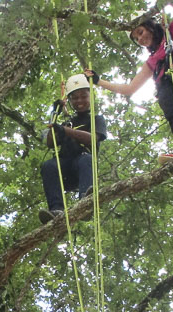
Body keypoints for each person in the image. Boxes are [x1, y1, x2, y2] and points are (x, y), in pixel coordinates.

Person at [85, 0, 173, 171]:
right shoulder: (151, 61)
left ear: (150, 25)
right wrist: (98, 81)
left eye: (140, 32)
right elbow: (129, 89)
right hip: (165, 86)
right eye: (136, 38)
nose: (140, 39)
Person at [38, 73, 108, 224]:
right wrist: (54, 116)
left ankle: (85, 202)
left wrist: (65, 130)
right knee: (48, 165)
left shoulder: (96, 119)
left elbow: (92, 139)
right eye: (75, 98)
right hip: (65, 170)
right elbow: (50, 143)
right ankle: (56, 210)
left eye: (83, 96)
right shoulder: (67, 122)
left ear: (91, 97)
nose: (79, 101)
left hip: (82, 168)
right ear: (69, 101)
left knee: (86, 159)